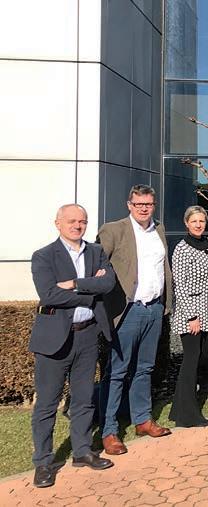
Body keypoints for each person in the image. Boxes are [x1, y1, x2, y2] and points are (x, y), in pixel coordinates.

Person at [30, 204, 115, 488]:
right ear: (58, 223)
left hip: (87, 335)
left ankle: (82, 451)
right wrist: (89, 292)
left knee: (83, 399)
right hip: (54, 339)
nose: (77, 226)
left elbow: (108, 284)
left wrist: (74, 284)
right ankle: (43, 462)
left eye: (82, 221)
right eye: (71, 221)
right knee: (47, 403)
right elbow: (49, 295)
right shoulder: (44, 256)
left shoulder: (96, 252)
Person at [98, 184, 173, 455]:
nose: (144, 208)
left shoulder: (159, 229)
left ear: (154, 205)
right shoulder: (113, 230)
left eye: (148, 204)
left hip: (154, 309)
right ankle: (109, 431)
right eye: (139, 204)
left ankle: (142, 419)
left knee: (145, 368)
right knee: (117, 371)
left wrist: (165, 303)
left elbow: (163, 267)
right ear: (129, 205)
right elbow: (98, 263)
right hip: (127, 310)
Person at [169, 206, 208, 427]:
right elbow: (179, 286)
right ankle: (188, 415)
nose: (198, 225)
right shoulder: (181, 249)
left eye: (201, 221)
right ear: (186, 223)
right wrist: (192, 316)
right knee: (191, 360)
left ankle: (177, 410)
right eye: (194, 221)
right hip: (191, 315)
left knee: (196, 359)